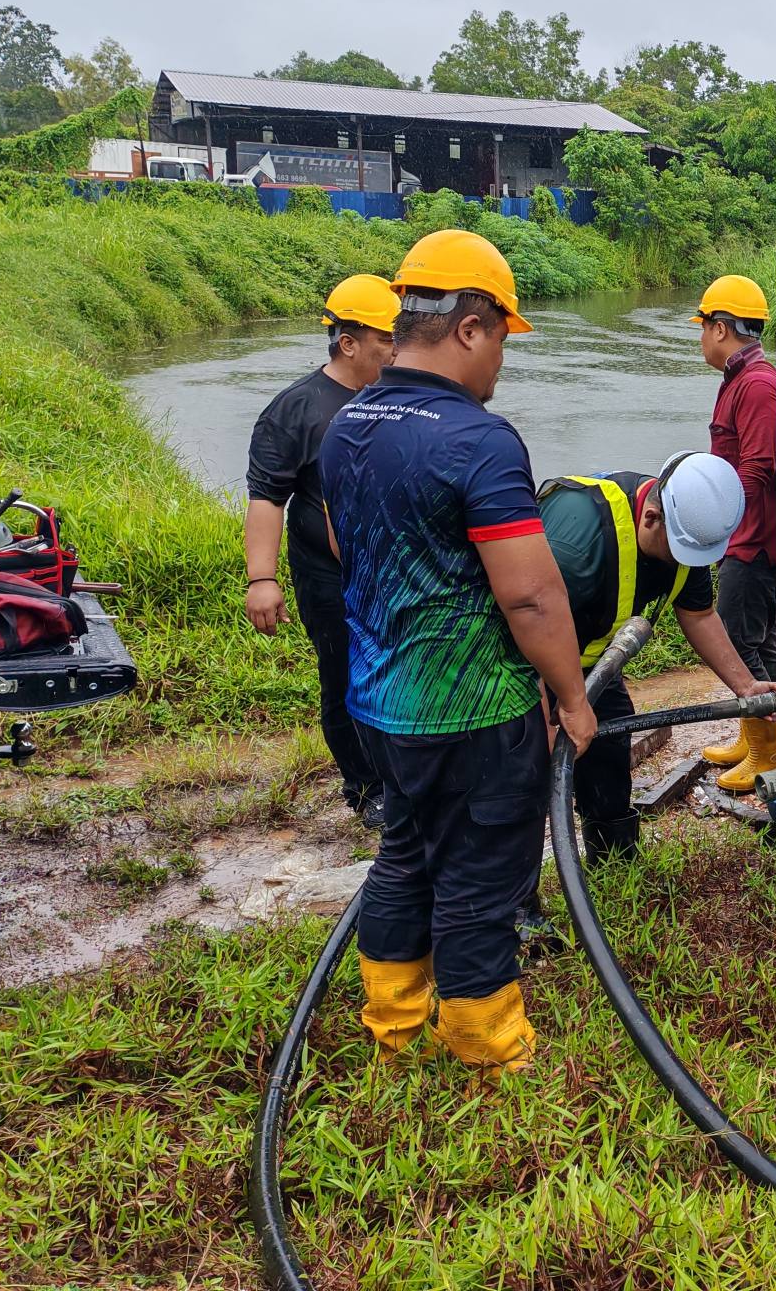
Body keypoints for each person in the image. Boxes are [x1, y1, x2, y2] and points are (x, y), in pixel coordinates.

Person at [319, 229, 594, 1074]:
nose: (502, 362)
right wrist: (574, 699)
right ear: (471, 326)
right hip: (475, 711)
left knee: (403, 853)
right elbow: (531, 593)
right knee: (481, 876)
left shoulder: (346, 424)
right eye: (504, 338)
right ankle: (486, 1047)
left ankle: (393, 1027)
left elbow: (342, 548)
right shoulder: (478, 440)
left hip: (380, 707)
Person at [534, 449, 776, 856]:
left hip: (590, 659)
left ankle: (613, 856)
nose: (689, 563)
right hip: (518, 659)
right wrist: (545, 726)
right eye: (682, 551)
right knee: (522, 772)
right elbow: (525, 634)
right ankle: (517, 903)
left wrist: (746, 686)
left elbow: (698, 615)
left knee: (611, 741)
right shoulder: (578, 544)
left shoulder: (686, 525)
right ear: (651, 517)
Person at [243, 274, 400, 827]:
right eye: (385, 338)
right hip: (328, 576)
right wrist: (262, 579)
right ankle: (366, 787)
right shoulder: (297, 410)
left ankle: (404, 774)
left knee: (397, 672)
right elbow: (267, 499)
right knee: (344, 676)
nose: (394, 347)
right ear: (349, 341)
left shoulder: (399, 397)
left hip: (395, 572)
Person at [692, 275, 776, 793]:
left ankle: (769, 751)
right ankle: (756, 737)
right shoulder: (741, 378)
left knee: (736, 635)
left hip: (754, 540)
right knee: (759, 636)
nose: (700, 337)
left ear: (722, 327)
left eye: (703, 327)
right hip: (745, 536)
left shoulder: (756, 385)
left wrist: (718, 518)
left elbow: (759, 467)